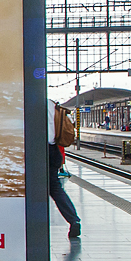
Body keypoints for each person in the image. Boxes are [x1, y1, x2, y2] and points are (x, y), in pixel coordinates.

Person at [48, 98, 80, 239]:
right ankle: (73, 220)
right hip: (53, 150)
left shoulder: (29, 103)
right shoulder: (53, 105)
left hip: (38, 150)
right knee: (55, 188)